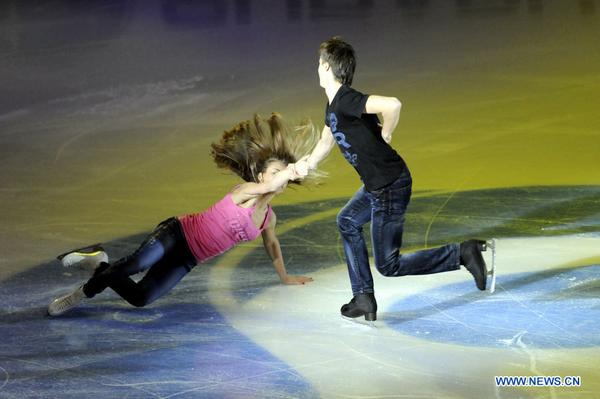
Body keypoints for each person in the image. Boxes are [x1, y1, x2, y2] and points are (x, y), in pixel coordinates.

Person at [294, 37, 491, 321]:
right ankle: (363, 296)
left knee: (389, 265)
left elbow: (393, 105)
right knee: (347, 221)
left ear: (326, 67)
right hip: (379, 186)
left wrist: (386, 132)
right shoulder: (334, 106)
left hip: (389, 186)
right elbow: (328, 136)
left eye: (318, 63)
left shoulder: (347, 99)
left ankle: (462, 253)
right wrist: (309, 163)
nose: (317, 68)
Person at [48, 113, 318, 316]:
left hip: (189, 259)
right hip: (177, 234)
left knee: (142, 297)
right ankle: (81, 293)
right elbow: (270, 186)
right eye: (275, 172)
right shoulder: (246, 191)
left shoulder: (268, 218)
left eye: (283, 174)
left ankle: (98, 262)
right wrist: (294, 169)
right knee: (135, 265)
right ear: (261, 176)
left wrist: (285, 277)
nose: (279, 178)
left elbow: (272, 244)